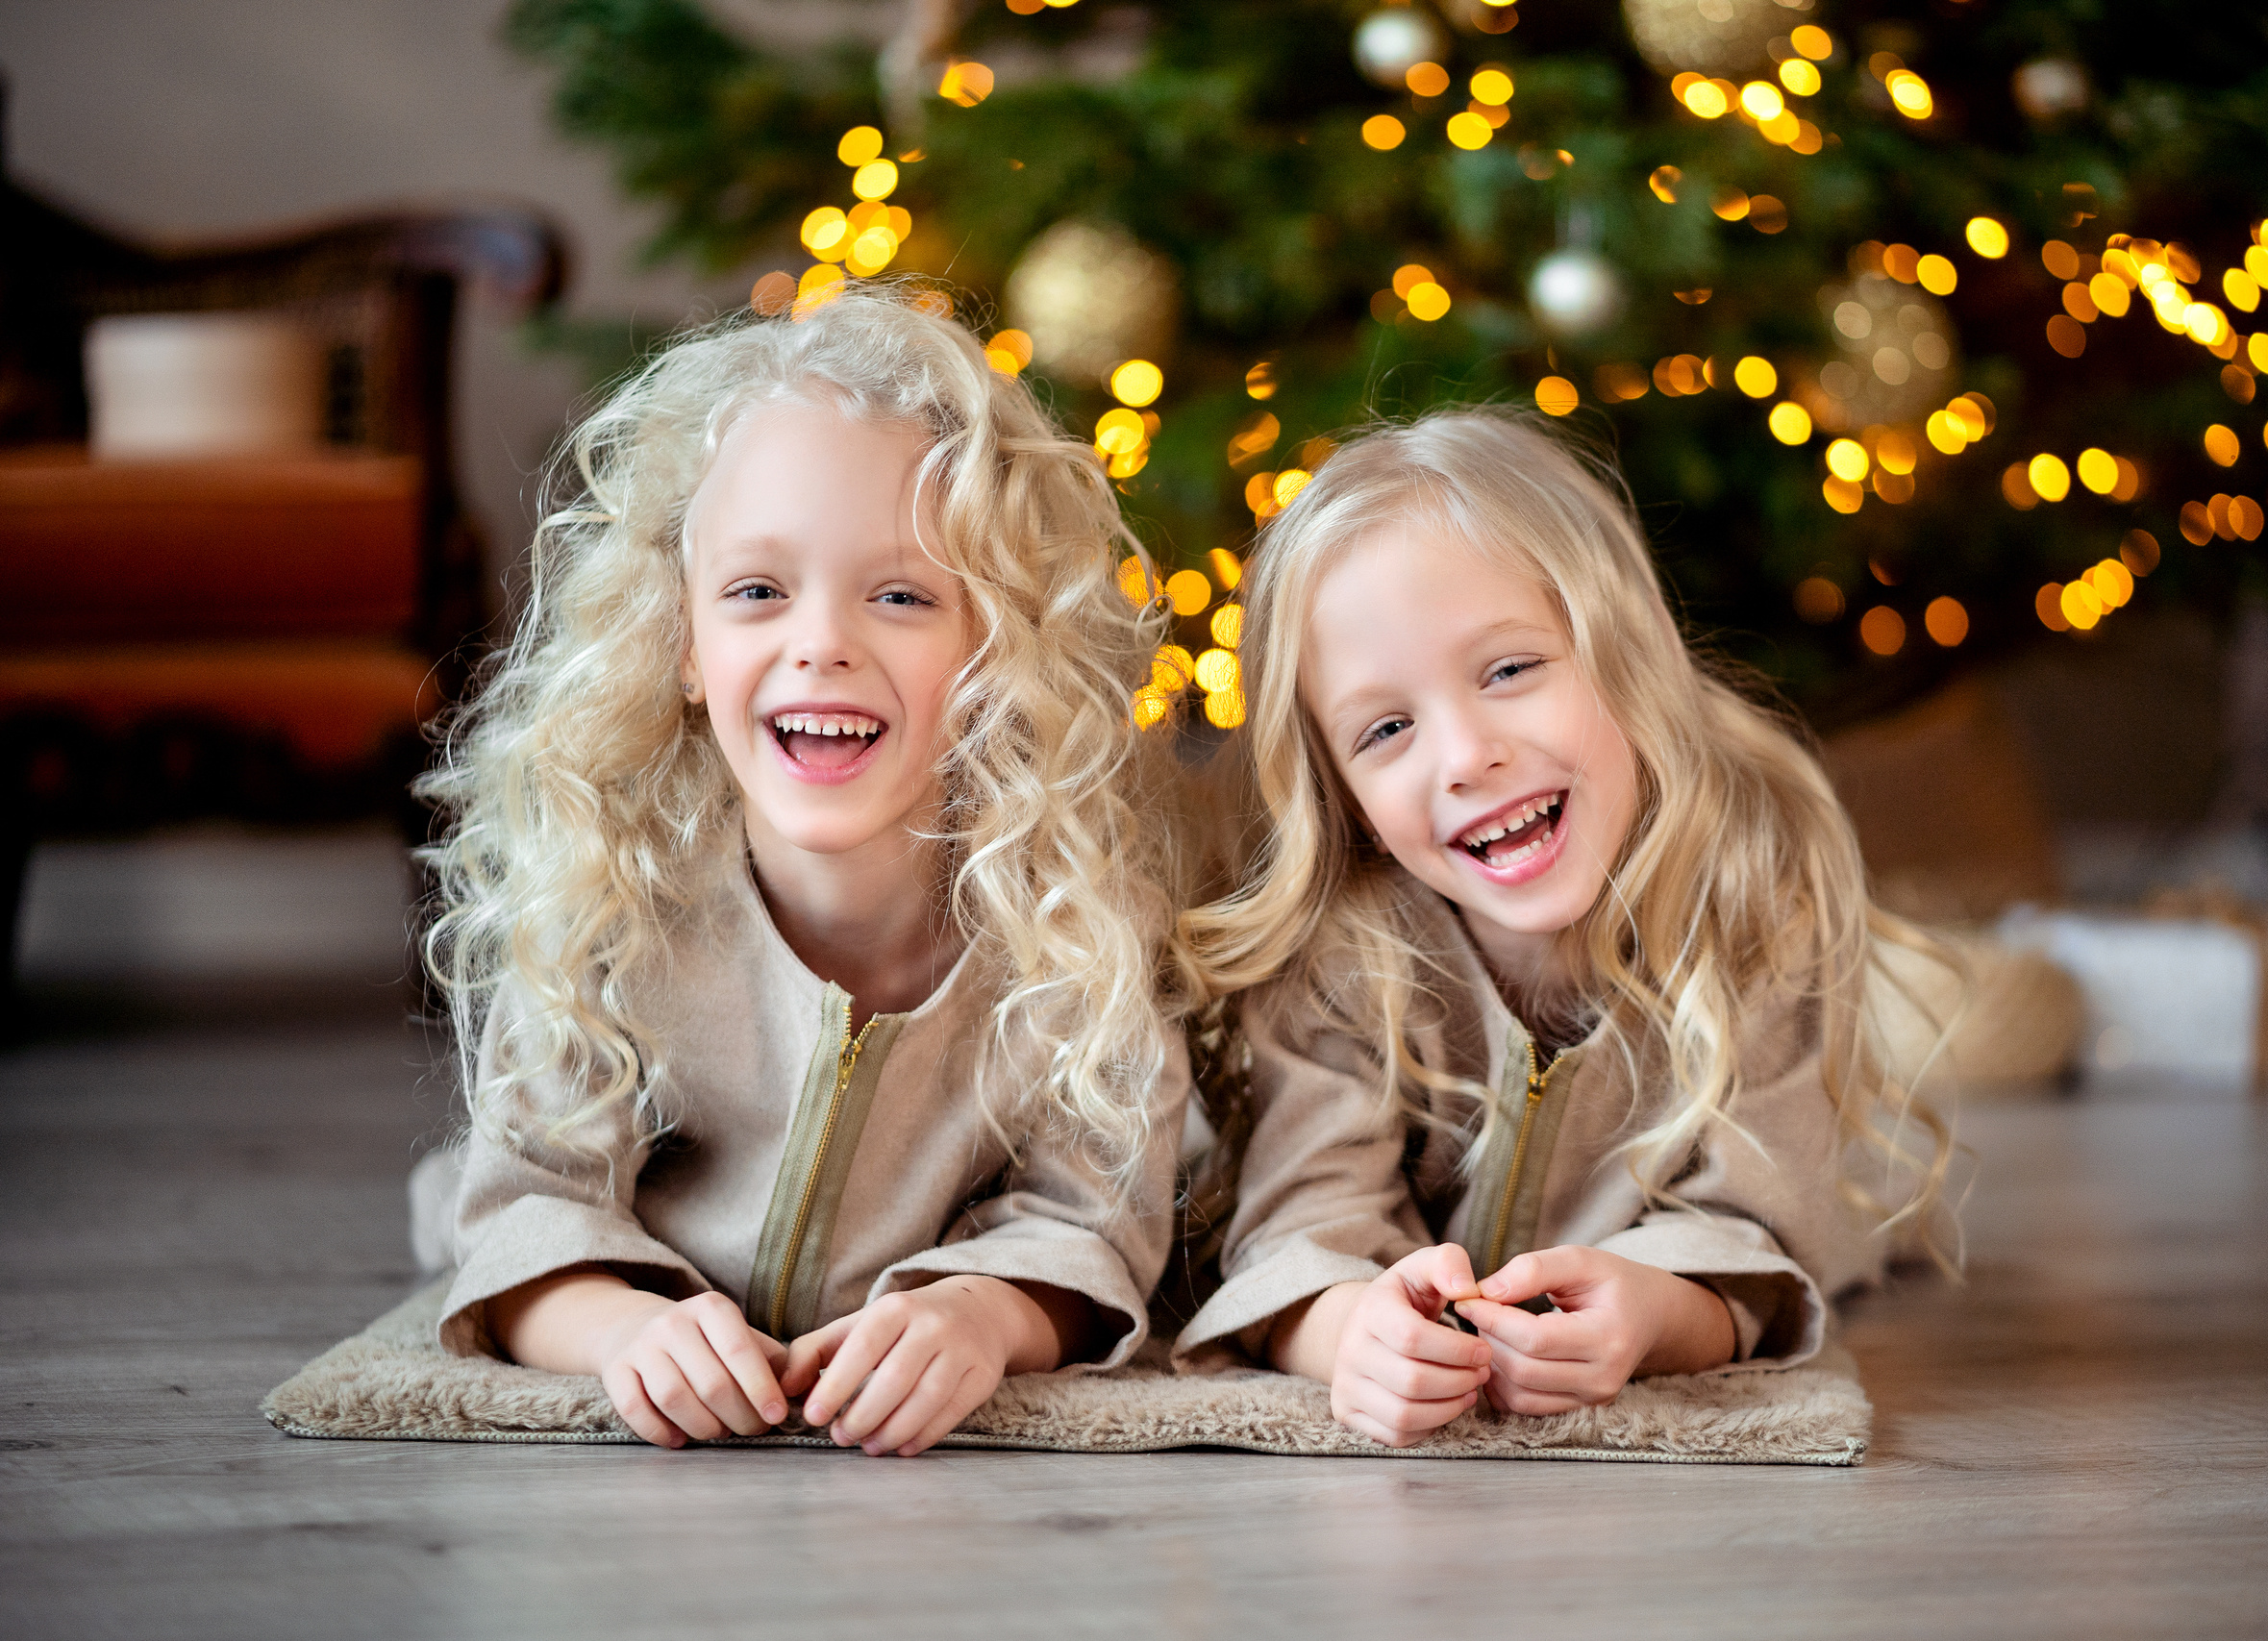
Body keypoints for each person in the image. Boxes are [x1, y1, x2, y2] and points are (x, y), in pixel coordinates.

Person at [416, 283, 1190, 1455]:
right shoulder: (609, 905)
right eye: (756, 593)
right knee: (453, 1201)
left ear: (992, 647)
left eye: (900, 595)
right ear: (682, 643)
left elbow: (1097, 1226)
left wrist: (983, 1313)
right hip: (662, 1266)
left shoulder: (1069, 927)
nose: (820, 641)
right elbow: (528, 1213)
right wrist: (615, 1326)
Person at [1174, 409, 1952, 1447]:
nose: (1463, 755)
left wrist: (1658, 1313)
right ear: (1342, 793)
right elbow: (1300, 1227)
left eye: (1509, 670)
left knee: (1856, 1208)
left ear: (1621, 649)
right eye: (1386, 729)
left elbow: (1758, 1232)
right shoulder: (1343, 953)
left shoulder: (1751, 886)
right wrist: (1347, 1330)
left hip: (1790, 1200)